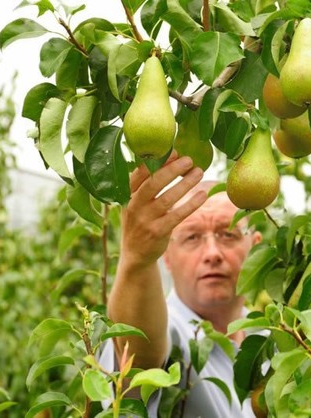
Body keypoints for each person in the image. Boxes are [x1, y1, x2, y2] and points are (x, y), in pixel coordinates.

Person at [100, 152, 262, 417]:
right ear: (166, 256)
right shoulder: (169, 330)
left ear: (255, 248)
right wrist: (137, 259)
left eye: (227, 234)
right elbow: (140, 357)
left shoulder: (273, 341)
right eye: (192, 237)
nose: (212, 253)